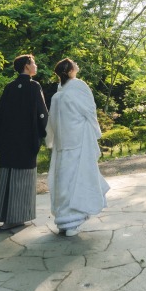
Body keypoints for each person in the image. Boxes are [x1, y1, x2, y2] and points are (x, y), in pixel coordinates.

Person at [0, 53, 48, 233]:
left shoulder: (10, 87)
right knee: (22, 178)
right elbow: (41, 113)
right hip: (25, 141)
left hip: (7, 141)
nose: (35, 65)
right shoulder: (34, 86)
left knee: (5, 177)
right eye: (33, 63)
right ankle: (15, 219)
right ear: (27, 66)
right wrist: (48, 131)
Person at [45, 58, 109, 236]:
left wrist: (54, 140)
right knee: (78, 177)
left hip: (63, 141)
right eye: (75, 64)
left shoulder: (58, 95)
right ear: (71, 70)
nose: (78, 66)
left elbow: (52, 122)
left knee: (63, 179)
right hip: (78, 140)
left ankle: (64, 220)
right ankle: (72, 221)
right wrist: (96, 131)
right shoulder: (78, 86)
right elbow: (89, 110)